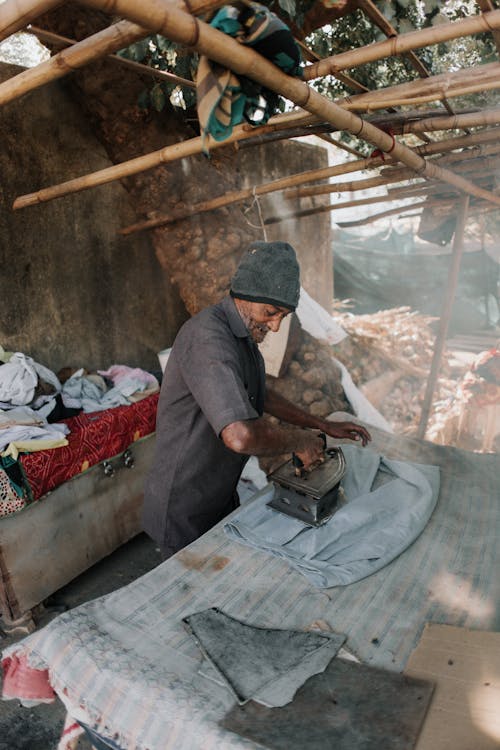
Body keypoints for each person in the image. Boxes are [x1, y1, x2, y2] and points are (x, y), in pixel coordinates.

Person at [143, 241, 371, 559]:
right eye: (270, 313)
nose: (276, 325)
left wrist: (321, 425)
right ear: (246, 296)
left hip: (218, 494)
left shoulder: (243, 336)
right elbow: (240, 436)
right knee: (188, 596)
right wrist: (300, 441)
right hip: (184, 506)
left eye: (284, 316)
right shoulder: (208, 339)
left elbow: (260, 392)